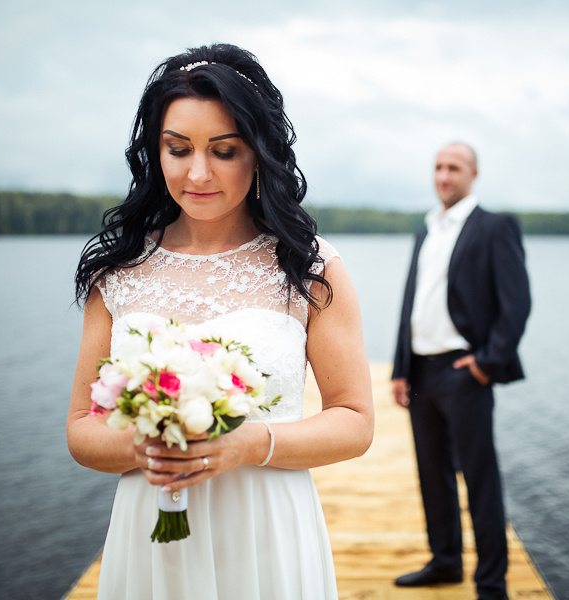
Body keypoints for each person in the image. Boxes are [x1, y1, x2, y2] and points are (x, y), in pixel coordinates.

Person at [67, 43, 374, 600]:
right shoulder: (117, 274)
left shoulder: (310, 268)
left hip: (267, 532)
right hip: (150, 531)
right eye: (178, 149)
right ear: (155, 153)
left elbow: (354, 421)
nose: (199, 172)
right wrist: (148, 446)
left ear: (258, 152)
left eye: (224, 150)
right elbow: (81, 430)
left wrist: (248, 444)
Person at [391, 142, 531, 600]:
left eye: (453, 168)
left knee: (479, 480)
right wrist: (400, 367)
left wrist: (488, 363)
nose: (444, 176)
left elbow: (517, 304)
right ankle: (446, 561)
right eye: (438, 167)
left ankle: (491, 584)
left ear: (473, 174)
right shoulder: (426, 228)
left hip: (464, 371)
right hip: (422, 374)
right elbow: (412, 303)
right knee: (432, 475)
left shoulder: (494, 227)